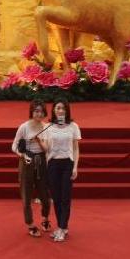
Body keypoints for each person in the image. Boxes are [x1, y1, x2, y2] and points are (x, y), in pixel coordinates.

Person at [36, 100, 80, 243]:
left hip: (67, 163)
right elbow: (47, 148)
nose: (60, 110)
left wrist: (75, 167)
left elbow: (75, 148)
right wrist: (37, 140)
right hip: (53, 165)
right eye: (57, 108)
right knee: (56, 197)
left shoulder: (73, 126)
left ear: (67, 111)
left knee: (65, 198)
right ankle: (62, 227)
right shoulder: (48, 127)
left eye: (62, 108)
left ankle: (62, 227)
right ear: (54, 111)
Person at [11, 100, 52, 237]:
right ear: (32, 112)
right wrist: (22, 155)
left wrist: (39, 140)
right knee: (26, 195)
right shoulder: (24, 127)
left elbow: (47, 149)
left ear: (44, 113)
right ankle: (30, 224)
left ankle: (45, 218)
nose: (39, 114)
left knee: (45, 197)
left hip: (41, 162)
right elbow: (14, 146)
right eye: (36, 111)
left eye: (41, 111)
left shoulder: (46, 127)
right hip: (26, 162)